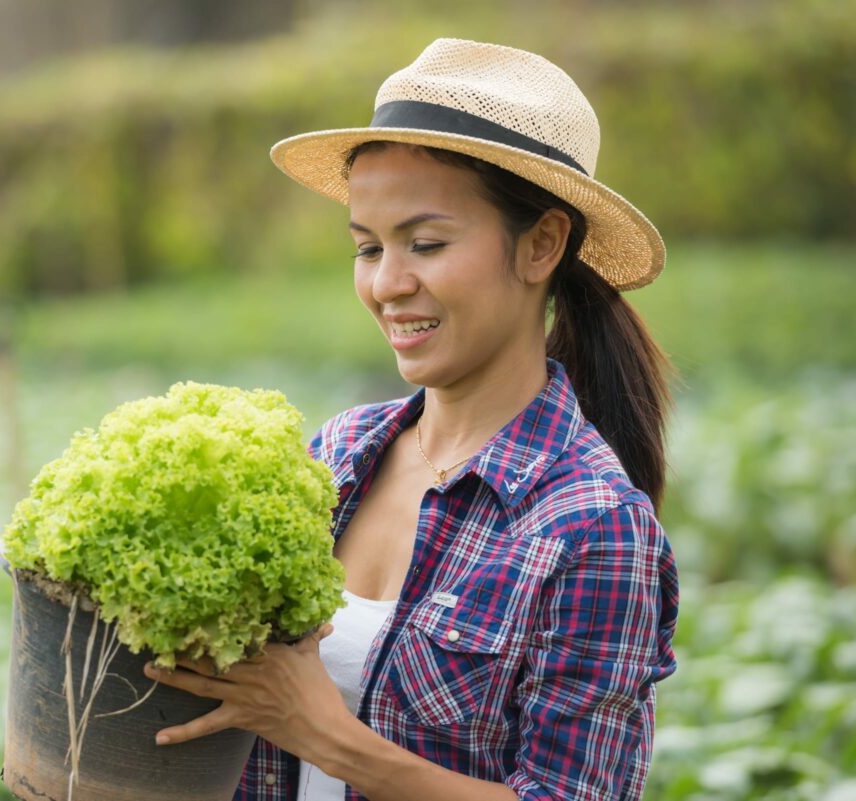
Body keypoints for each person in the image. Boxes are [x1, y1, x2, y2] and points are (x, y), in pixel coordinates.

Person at [143, 38, 679, 801]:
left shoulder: (593, 526)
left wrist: (329, 736)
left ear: (542, 244)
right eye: (367, 248)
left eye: (425, 243)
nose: (388, 284)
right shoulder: (337, 453)